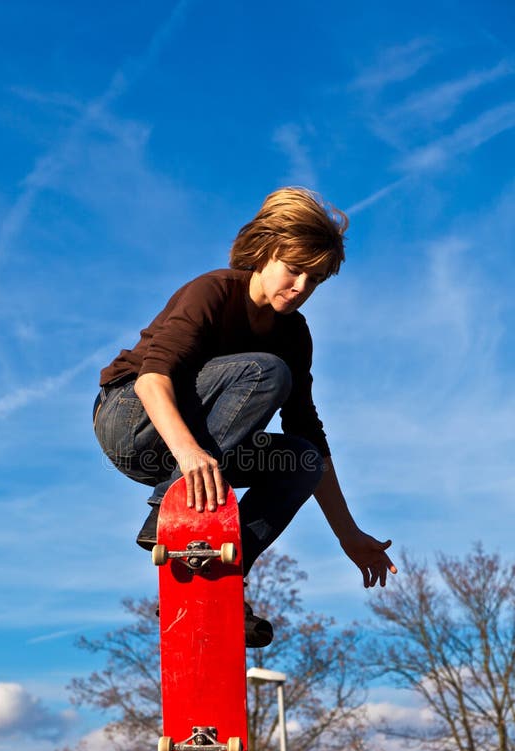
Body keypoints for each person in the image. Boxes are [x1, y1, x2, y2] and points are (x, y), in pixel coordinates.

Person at [93, 187, 397, 645]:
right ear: (266, 251)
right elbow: (151, 381)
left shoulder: (294, 335)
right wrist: (190, 457)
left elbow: (309, 434)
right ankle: (175, 514)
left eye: (314, 281)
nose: (301, 289)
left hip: (194, 451)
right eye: (295, 271)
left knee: (303, 459)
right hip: (130, 421)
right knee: (265, 371)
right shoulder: (213, 291)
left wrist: (348, 534)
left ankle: (217, 578)